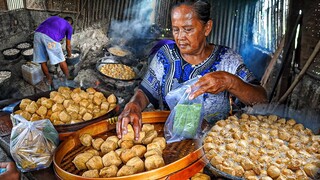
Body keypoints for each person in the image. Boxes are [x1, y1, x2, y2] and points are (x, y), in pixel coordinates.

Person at [116, 0, 267, 140]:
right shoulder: (165, 56)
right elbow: (145, 92)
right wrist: (134, 104)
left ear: (207, 27)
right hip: (168, 144)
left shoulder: (228, 60)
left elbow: (261, 99)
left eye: (188, 29)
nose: (180, 37)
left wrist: (230, 82)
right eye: (175, 29)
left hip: (212, 149)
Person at [33, 16, 74, 86]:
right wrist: (70, 55)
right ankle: (68, 77)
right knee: (61, 59)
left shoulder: (54, 18)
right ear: (70, 23)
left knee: (42, 60)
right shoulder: (69, 27)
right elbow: (68, 46)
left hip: (37, 34)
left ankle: (49, 80)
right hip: (51, 37)